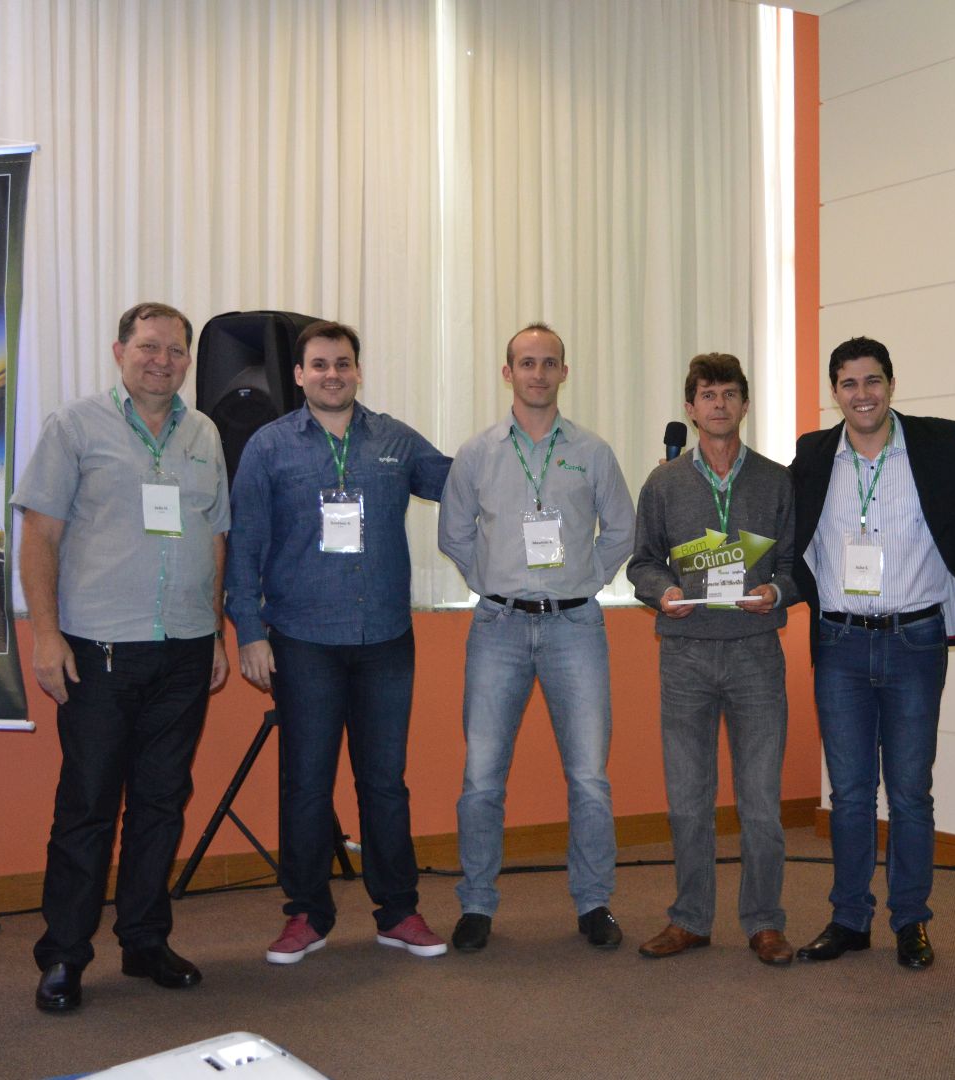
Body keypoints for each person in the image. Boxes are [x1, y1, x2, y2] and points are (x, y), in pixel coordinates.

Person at [13, 302, 229, 1013]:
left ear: (188, 360)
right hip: (98, 651)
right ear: (119, 352)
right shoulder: (74, 427)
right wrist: (46, 635)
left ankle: (143, 940)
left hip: (185, 649)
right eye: (148, 347)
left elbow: (214, 536)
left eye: (174, 350)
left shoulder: (204, 433)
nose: (162, 361)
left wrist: (215, 632)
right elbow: (39, 536)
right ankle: (64, 955)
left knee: (161, 804)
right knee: (88, 807)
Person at [225, 320, 453, 965]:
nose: (333, 374)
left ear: (358, 371)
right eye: (320, 364)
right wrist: (249, 632)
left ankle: (398, 912)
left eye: (343, 363)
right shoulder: (270, 446)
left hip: (385, 639)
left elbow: (460, 484)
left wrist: (516, 451)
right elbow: (243, 544)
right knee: (306, 783)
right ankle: (306, 914)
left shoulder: (394, 439)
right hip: (302, 641)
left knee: (384, 783)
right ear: (300, 375)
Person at [789, 335, 955, 970]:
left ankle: (911, 921)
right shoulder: (813, 454)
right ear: (835, 393)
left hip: (915, 641)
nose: (863, 395)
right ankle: (849, 919)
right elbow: (777, 519)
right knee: (850, 794)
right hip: (840, 643)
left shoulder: (937, 441)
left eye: (873, 380)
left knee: (910, 792)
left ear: (891, 385)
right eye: (849, 384)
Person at [438, 322, 635, 952]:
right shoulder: (477, 453)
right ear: (508, 373)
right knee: (482, 777)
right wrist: (491, 582)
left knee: (589, 777)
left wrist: (584, 580)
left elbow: (621, 530)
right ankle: (476, 904)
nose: (538, 374)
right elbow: (453, 533)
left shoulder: (593, 452)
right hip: (497, 627)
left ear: (564, 373)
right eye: (527, 363)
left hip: (576, 627)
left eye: (549, 363)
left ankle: (594, 902)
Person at [627, 353, 798, 965]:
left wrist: (776, 592)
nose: (719, 404)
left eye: (729, 393)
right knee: (688, 800)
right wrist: (662, 591)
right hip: (686, 656)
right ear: (690, 407)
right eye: (707, 394)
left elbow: (795, 565)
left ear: (745, 404)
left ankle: (764, 922)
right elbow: (642, 562)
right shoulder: (663, 483)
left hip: (756, 654)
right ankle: (691, 919)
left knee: (761, 802)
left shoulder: (776, 480)